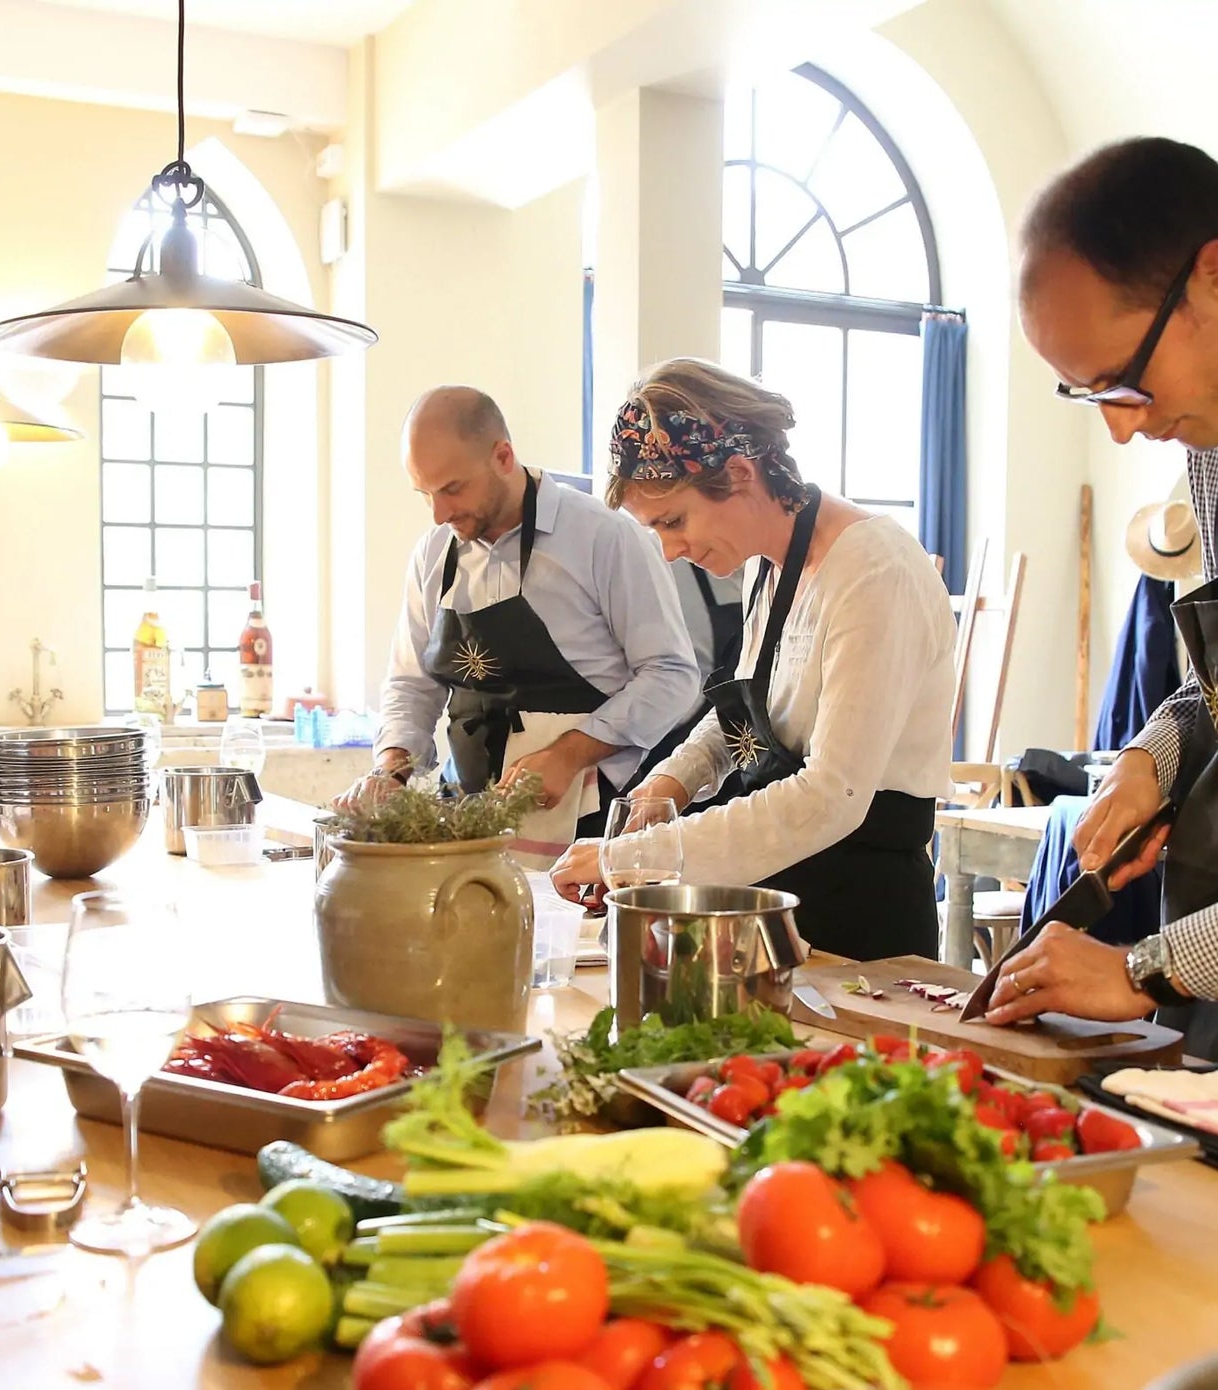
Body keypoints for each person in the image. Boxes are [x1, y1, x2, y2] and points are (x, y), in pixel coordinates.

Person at [549, 358, 956, 961]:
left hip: (863, 923)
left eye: (673, 520)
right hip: (788, 904)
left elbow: (829, 797)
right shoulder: (771, 566)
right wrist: (670, 781)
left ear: (740, 473)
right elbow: (746, 706)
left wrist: (629, 857)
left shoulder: (873, 570)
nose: (667, 551)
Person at [989, 135, 1218, 1058]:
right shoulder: (1208, 451)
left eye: (1124, 379)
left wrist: (1140, 970)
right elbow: (1214, 689)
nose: (1122, 429)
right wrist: (1154, 757)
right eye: (1090, 396)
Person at [337, 386, 699, 860]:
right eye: (425, 494)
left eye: (452, 488)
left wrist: (568, 754)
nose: (439, 514)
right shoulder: (433, 554)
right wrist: (391, 769)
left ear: (503, 456)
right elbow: (412, 686)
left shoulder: (605, 535)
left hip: (588, 816)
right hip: (467, 817)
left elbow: (672, 677)